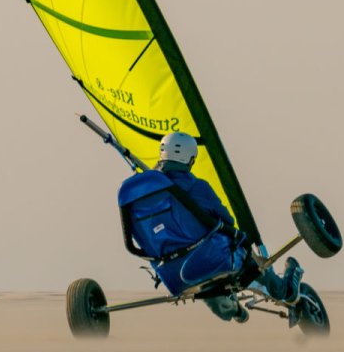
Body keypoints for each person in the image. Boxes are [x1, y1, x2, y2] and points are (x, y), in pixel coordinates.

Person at [118, 133, 298, 321]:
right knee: (251, 259)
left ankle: (234, 312)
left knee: (205, 285)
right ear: (191, 159)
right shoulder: (197, 187)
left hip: (174, 274)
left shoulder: (137, 199)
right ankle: (285, 291)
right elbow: (227, 220)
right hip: (214, 259)